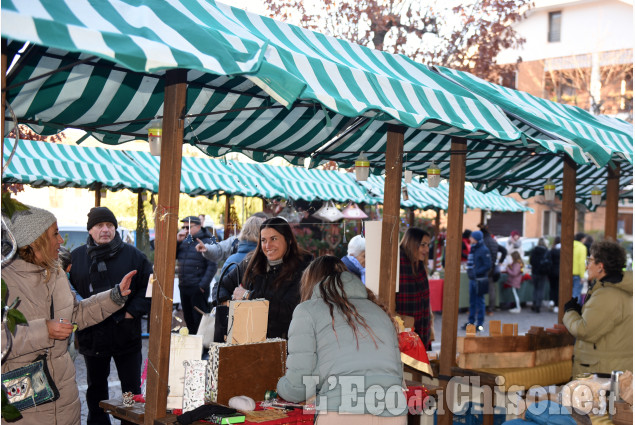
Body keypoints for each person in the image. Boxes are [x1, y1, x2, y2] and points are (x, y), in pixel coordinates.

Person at [1, 205, 137, 425]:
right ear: (35, 240)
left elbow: (74, 313)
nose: (61, 241)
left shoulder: (55, 273)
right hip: (24, 407)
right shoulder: (3, 281)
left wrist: (114, 297)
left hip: (65, 401)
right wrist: (43, 330)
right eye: (55, 234)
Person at [276, 256, 407, 424]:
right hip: (393, 412)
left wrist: (279, 387)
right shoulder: (379, 312)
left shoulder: (307, 311)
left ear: (311, 283)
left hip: (342, 412)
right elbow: (397, 374)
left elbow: (297, 387)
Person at [69, 206, 152, 425]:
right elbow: (69, 293)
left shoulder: (134, 256)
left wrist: (132, 313)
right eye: (99, 225)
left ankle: (130, 422)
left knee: (130, 389)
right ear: (90, 230)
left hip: (126, 334)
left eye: (109, 225)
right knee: (96, 388)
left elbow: (149, 288)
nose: (105, 230)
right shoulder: (76, 258)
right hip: (92, 336)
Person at [220, 217, 313, 339]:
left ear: (288, 240)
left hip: (287, 345)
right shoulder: (251, 263)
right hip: (248, 340)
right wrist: (228, 303)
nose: (268, 245)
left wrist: (250, 296)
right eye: (263, 240)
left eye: (274, 239)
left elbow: (290, 309)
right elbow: (221, 286)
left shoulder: (304, 268)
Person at [563, 240, 632, 377]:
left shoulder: (607, 294)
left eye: (590, 261)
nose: (586, 266)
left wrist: (570, 312)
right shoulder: (622, 289)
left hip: (602, 373)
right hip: (617, 368)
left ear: (600, 266)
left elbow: (584, 331)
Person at [176, 215, 217, 334]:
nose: (185, 230)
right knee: (188, 320)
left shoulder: (207, 241)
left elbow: (212, 265)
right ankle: (193, 348)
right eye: (183, 227)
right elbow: (172, 256)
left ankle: (202, 349)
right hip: (184, 286)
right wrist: (177, 241)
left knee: (200, 321)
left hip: (197, 288)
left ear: (199, 226)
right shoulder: (184, 241)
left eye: (188, 227)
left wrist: (202, 286)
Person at [211, 215, 265, 302]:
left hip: (234, 312)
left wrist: (226, 304)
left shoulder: (231, 260)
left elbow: (220, 288)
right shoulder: (264, 260)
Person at [395, 227, 432, 349]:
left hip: (420, 332)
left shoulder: (419, 265)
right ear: (412, 243)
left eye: (428, 245)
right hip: (403, 333)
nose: (427, 250)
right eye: (423, 245)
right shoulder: (397, 262)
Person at [462, 230, 491, 332]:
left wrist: (475, 272)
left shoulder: (483, 250)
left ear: (476, 238)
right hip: (473, 279)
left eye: (472, 237)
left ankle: (480, 323)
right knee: (472, 302)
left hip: (479, 279)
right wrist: (470, 271)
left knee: (480, 302)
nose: (470, 238)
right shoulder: (473, 248)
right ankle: (471, 322)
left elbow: (488, 265)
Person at [479, 225, 507, 316]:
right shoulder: (494, 242)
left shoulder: (483, 242)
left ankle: (480, 308)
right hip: (492, 267)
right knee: (491, 289)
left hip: (483, 267)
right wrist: (500, 261)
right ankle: (491, 309)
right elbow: (504, 251)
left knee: (480, 288)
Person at [529, 238, 550, 313]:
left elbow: (531, 261)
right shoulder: (546, 251)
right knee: (541, 289)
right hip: (543, 273)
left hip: (535, 272)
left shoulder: (534, 250)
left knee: (535, 288)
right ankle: (538, 304)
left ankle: (534, 303)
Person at [572, 233, 588, 303]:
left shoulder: (569, 245)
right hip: (577, 273)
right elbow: (582, 262)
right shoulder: (582, 247)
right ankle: (574, 311)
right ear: (582, 239)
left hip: (567, 274)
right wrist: (582, 276)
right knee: (576, 293)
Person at [548, 236, 561, 312]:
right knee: (557, 288)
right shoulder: (562, 251)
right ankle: (556, 305)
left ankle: (551, 300)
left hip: (551, 271)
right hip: (559, 272)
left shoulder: (552, 250)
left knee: (552, 287)